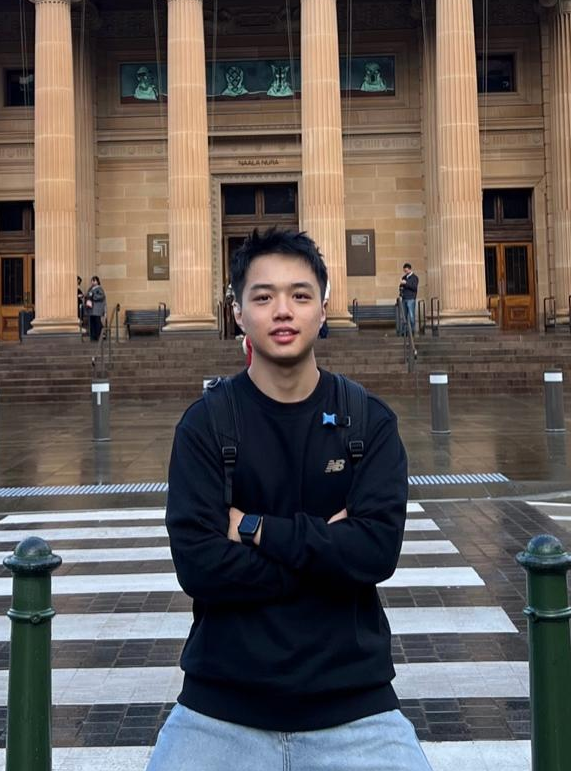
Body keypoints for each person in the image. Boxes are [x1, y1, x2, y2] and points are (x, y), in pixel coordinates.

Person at [147, 228, 432, 771]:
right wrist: (328, 555)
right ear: (237, 313)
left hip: (355, 705)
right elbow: (199, 567)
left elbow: (375, 552)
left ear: (324, 309)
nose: (283, 310)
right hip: (220, 706)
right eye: (263, 296)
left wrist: (255, 528)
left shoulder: (368, 422)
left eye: (300, 295)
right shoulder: (205, 426)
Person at [84, 275, 106, 342]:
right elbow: (87, 295)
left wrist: (93, 296)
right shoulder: (90, 288)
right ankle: (93, 336)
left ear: (97, 281)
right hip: (91, 309)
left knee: (97, 322)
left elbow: (101, 296)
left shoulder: (99, 288)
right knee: (92, 323)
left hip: (97, 309)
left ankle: (99, 335)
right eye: (92, 281)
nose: (93, 282)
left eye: (94, 280)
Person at [399, 263, 419, 335]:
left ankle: (412, 331)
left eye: (406, 270)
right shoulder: (404, 277)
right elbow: (401, 286)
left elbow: (414, 287)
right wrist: (401, 291)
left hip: (411, 298)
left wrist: (406, 283)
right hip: (404, 298)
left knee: (411, 316)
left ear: (410, 269)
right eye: (404, 271)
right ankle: (404, 331)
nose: (405, 272)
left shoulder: (415, 278)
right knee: (404, 316)